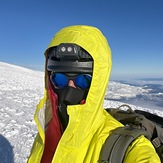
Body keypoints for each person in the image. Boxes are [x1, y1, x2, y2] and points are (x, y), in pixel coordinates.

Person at [28, 25, 160, 163]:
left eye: (83, 80)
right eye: (59, 79)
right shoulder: (45, 132)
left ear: (98, 82)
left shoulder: (129, 147)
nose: (70, 89)